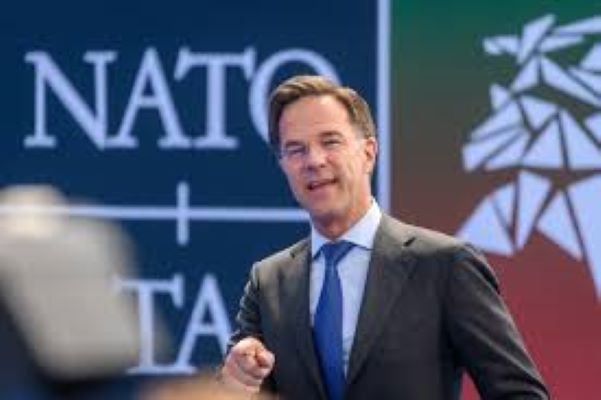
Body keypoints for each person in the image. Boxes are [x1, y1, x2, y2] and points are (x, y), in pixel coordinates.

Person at [220, 75, 549, 399]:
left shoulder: (445, 265)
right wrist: (235, 383)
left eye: (330, 142)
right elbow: (233, 389)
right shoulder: (269, 281)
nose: (314, 161)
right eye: (296, 149)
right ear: (283, 165)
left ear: (369, 153)